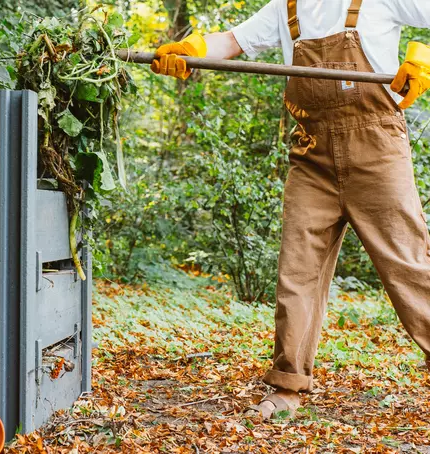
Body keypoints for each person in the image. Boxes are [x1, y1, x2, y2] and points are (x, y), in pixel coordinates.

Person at [152, 0, 430, 419]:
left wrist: (424, 57)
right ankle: (287, 387)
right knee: (297, 270)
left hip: (378, 150)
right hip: (311, 157)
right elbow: (231, 41)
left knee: (408, 265)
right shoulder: (286, 9)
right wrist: (191, 49)